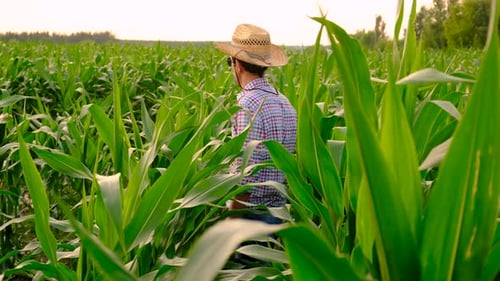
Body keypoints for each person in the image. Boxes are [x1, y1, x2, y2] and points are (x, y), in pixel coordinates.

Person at [215, 23, 297, 225]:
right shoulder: (285, 103)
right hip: (280, 215)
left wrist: (230, 228)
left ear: (237, 64)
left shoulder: (247, 105)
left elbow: (244, 180)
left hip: (251, 219)